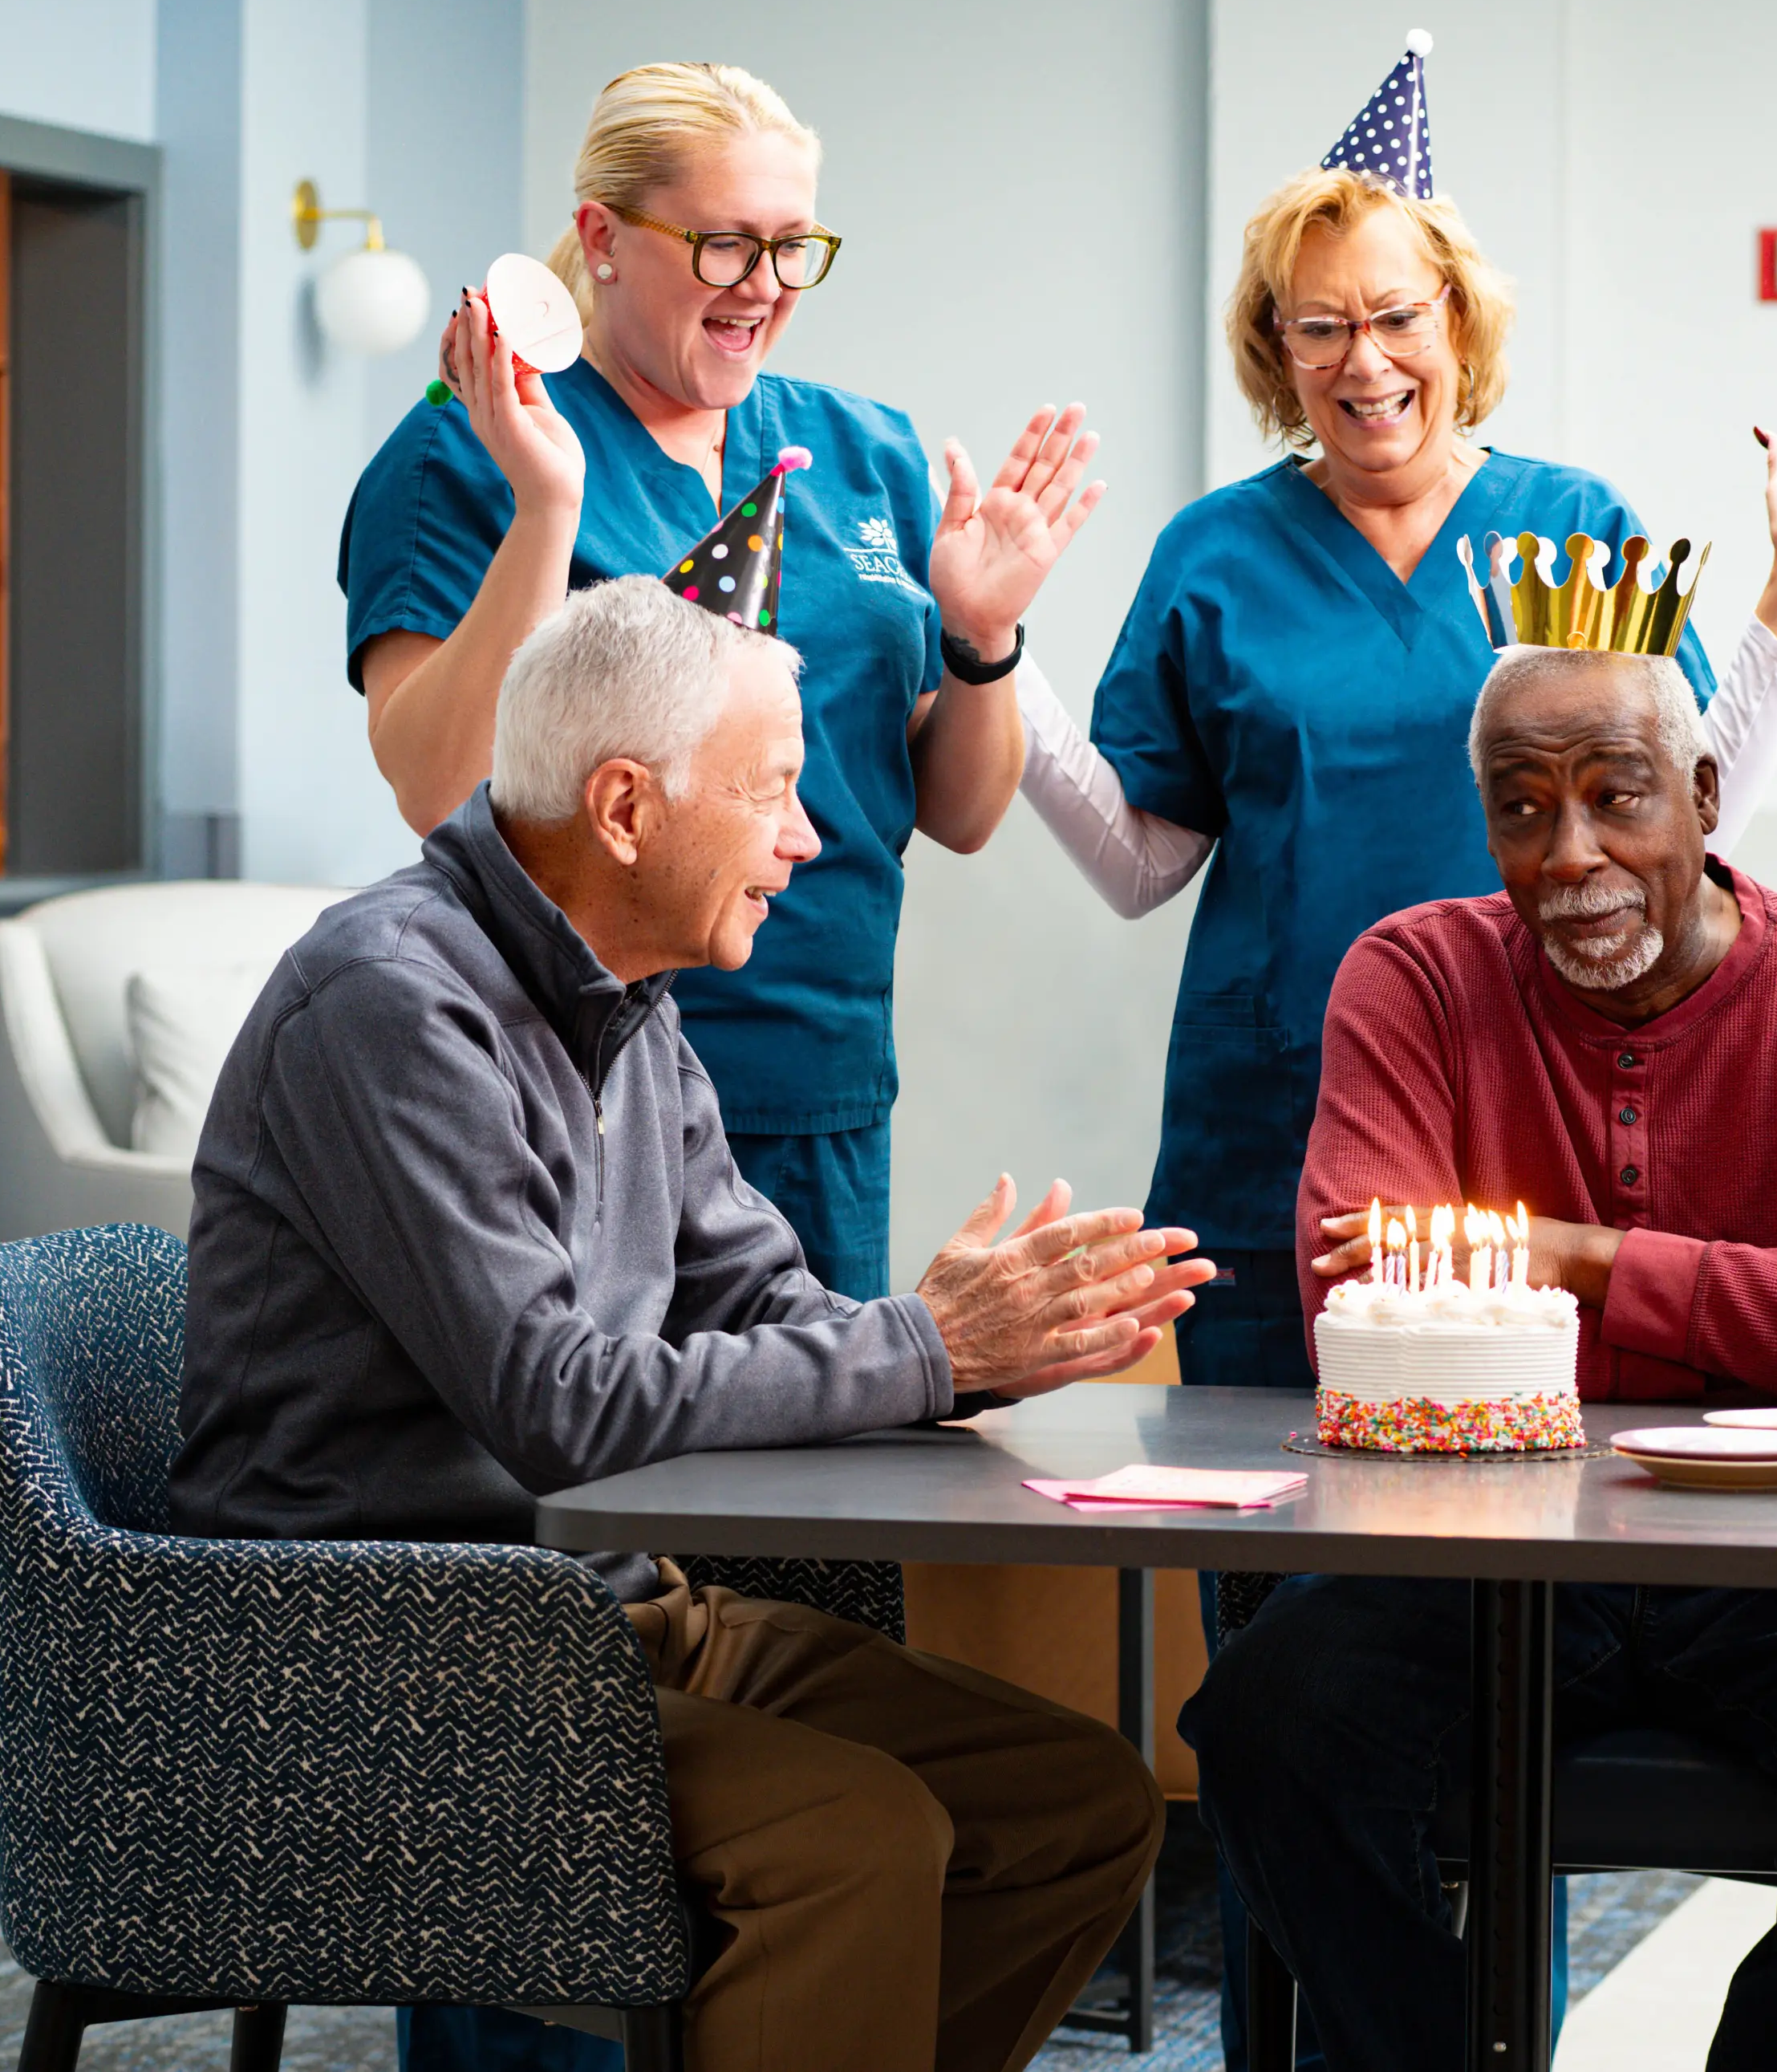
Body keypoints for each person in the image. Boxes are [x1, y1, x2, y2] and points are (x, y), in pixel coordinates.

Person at [174, 577, 1210, 2072]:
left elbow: (766, 1305)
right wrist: (926, 1345)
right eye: (777, 793)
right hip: (387, 1655)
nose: (809, 839)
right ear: (622, 809)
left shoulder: (632, 1007)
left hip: (604, 1614)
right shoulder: (393, 1003)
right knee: (855, 1839)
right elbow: (562, 1409)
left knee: (1073, 1807)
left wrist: (989, 1352)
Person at [1016, 47, 1777, 1389]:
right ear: (1278, 347)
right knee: (1284, 1549)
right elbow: (1145, 865)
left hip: (1542, 1105)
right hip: (1277, 1115)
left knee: (1543, 1521)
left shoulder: (1569, 527)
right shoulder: (1213, 555)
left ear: (1458, 320)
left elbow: (1686, 801)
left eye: (1398, 315)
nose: (1363, 359)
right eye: (1317, 325)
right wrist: (995, 652)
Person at [1180, 644, 1777, 2071]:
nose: (1571, 853)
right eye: (1522, 809)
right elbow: (1372, 1298)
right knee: (1270, 1726)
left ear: (1705, 795)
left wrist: (1568, 1262)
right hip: (1480, 1549)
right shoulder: (1415, 976)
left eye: (1616, 797)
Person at [343, 59, 1099, 1302]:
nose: (763, 288)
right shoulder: (469, 450)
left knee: (811, 1465)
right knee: (609, 1454)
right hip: (568, 1075)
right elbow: (436, 789)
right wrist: (547, 508)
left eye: (795, 248)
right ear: (602, 238)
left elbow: (957, 815)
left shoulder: (869, 456)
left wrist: (980, 638)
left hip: (820, 1078)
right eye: (725, 247)